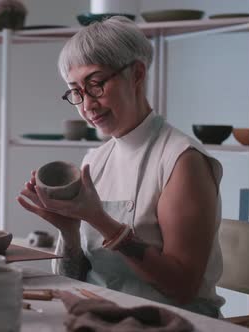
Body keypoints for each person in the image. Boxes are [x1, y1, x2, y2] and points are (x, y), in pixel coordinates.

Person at [16, 16, 224, 318]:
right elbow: (76, 280)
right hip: (105, 317)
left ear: (137, 74)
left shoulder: (181, 160)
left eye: (96, 84)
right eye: (76, 91)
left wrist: (99, 219)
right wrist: (69, 229)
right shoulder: (94, 160)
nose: (87, 105)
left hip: (174, 322)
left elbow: (183, 287)